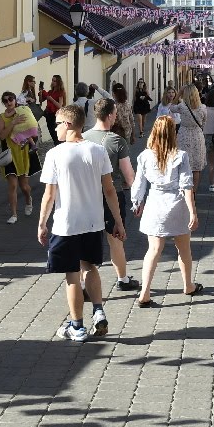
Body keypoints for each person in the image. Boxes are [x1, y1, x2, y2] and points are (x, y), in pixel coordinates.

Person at [37, 105, 125, 342]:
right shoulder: (97, 151)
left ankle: (77, 326)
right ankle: (98, 310)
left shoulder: (55, 154)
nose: (55, 128)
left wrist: (42, 223)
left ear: (67, 124)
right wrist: (117, 221)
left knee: (72, 276)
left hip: (67, 225)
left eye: (56, 123)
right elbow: (109, 190)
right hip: (94, 222)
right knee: (90, 267)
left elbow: (49, 195)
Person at [132, 116, 203, 305]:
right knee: (184, 248)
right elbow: (187, 186)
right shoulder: (180, 155)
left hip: (155, 203)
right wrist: (193, 212)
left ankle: (144, 293)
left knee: (153, 250)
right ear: (174, 133)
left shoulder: (145, 156)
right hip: (176, 205)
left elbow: (139, 183)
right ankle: (188, 285)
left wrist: (136, 202)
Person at [85, 98, 140, 292]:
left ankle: (86, 283)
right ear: (109, 116)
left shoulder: (82, 138)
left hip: (86, 197)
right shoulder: (117, 141)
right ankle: (122, 279)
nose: (116, 116)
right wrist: (138, 198)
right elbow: (129, 175)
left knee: (88, 242)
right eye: (115, 113)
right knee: (115, 239)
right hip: (112, 195)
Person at [0, 91, 39, 224]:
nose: (8, 102)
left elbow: (30, 129)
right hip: (10, 154)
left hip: (22, 152)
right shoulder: (1, 117)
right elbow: (2, 136)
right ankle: (14, 214)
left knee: (24, 186)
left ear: (15, 100)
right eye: (5, 101)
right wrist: (13, 122)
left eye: (10, 99)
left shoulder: (22, 111)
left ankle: (28, 200)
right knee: (13, 185)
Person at [173, 84, 209, 181]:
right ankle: (193, 194)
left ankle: (184, 192)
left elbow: (171, 107)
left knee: (183, 166)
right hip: (197, 135)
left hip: (183, 135)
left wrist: (179, 93)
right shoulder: (203, 108)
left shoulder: (182, 107)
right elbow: (204, 123)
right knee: (196, 169)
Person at [41, 75, 67, 144]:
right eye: (52, 80)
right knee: (52, 134)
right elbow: (41, 100)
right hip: (49, 115)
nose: (52, 82)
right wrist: (41, 92)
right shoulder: (50, 92)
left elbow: (60, 106)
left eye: (54, 81)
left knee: (57, 136)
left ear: (58, 82)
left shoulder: (60, 92)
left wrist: (51, 99)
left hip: (56, 115)